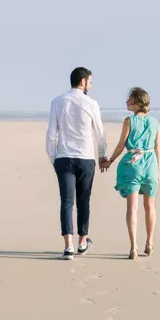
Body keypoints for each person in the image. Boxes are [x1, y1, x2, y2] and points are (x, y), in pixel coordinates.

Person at [46, 67, 108, 260]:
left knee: (66, 201)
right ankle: (82, 242)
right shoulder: (91, 103)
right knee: (83, 200)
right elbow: (99, 132)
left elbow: (51, 133)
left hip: (64, 157)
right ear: (82, 81)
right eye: (89, 81)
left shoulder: (57, 102)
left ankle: (68, 247)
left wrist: (53, 158)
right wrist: (102, 155)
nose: (91, 85)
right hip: (86, 158)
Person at [102, 87, 160, 259]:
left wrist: (110, 161)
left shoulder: (129, 121)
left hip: (134, 165)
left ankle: (133, 247)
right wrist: (158, 171)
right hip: (151, 164)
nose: (127, 102)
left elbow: (121, 145)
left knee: (132, 208)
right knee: (150, 206)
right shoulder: (155, 122)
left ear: (137, 102)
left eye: (130, 99)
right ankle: (149, 243)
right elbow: (158, 149)